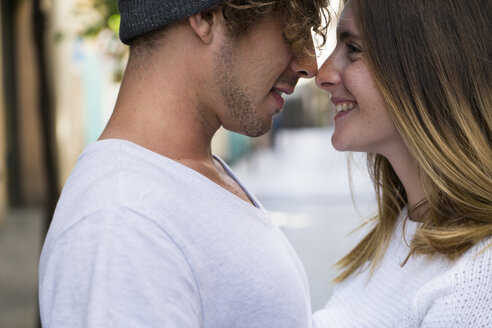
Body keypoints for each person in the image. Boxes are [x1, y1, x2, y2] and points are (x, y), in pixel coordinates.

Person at [38, 1, 329, 327]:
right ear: (206, 17)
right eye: (290, 26)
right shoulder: (122, 223)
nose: (310, 64)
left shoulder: (178, 181)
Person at [313, 0, 492, 327]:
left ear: (430, 66)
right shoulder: (403, 229)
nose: (322, 74)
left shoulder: (478, 281)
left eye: (353, 48)